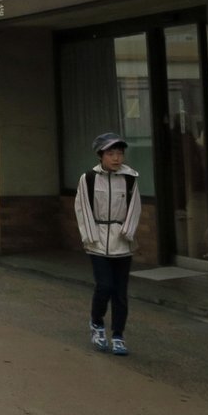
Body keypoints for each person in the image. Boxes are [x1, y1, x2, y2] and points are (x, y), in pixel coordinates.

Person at [75, 133, 142, 357]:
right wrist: (89, 236)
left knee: (120, 292)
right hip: (97, 241)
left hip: (122, 242)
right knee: (104, 286)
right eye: (111, 153)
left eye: (119, 153)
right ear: (101, 155)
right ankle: (97, 323)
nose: (116, 158)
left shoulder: (130, 178)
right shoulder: (88, 178)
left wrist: (128, 232)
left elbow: (135, 208)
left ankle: (118, 335)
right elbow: (82, 208)